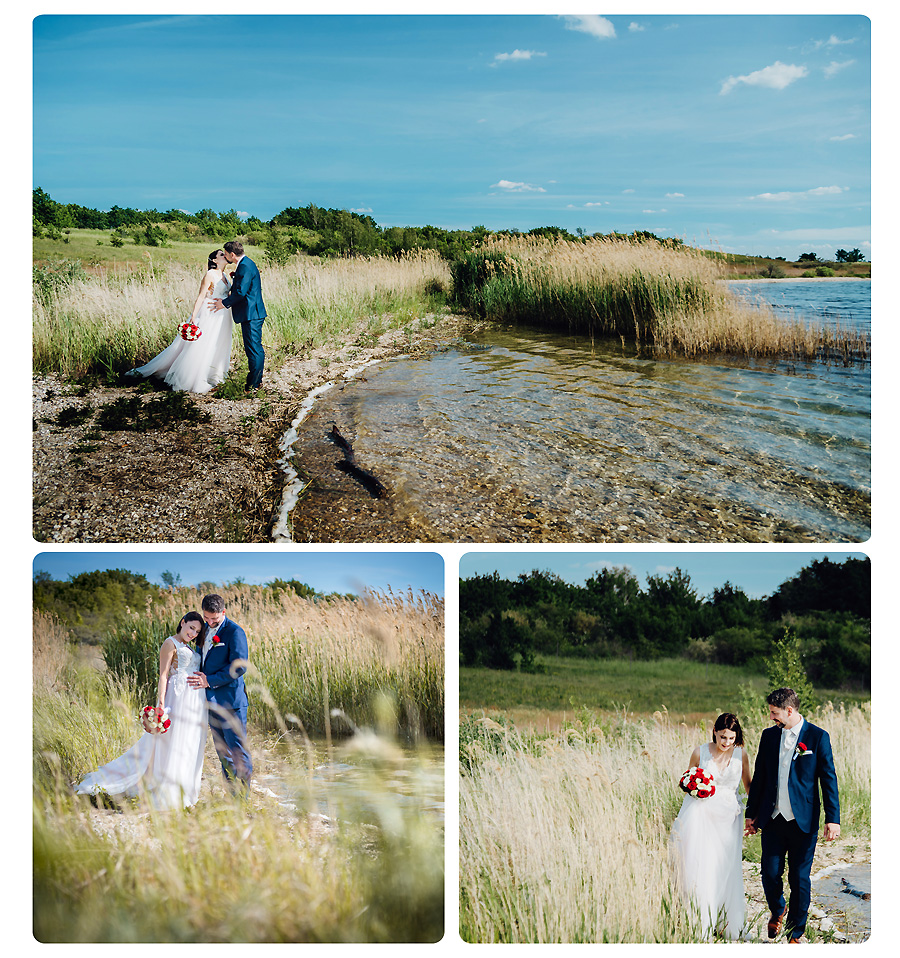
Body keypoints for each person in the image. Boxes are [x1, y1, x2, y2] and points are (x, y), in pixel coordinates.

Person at [75, 613, 208, 809]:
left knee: (188, 741)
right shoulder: (170, 643)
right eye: (191, 628)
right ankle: (168, 790)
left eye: (197, 631)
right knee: (173, 741)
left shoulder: (190, 647)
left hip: (194, 701)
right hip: (178, 697)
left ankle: (184, 789)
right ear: (182, 623)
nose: (193, 633)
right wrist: (161, 705)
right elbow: (163, 676)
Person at [745, 688, 840, 943]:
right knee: (769, 872)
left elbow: (828, 779)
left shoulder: (818, 737)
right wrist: (751, 814)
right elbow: (760, 777)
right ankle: (778, 909)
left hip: (804, 822)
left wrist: (833, 818)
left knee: (799, 878)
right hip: (773, 819)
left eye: (775, 713)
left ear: (789, 710)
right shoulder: (768, 736)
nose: (772, 718)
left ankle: (795, 933)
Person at [670, 712, 752, 940]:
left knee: (726, 865)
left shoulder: (741, 755)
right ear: (714, 731)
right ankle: (699, 920)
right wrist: (694, 786)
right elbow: (687, 780)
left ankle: (726, 922)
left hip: (729, 818)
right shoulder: (700, 752)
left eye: (731, 738)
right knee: (701, 865)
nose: (726, 743)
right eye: (722, 737)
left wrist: (754, 816)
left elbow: (748, 786)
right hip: (701, 815)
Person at [127, 250, 234, 393]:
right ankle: (194, 377)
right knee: (203, 344)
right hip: (210, 313)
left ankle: (214, 375)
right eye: (221, 255)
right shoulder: (210, 274)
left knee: (217, 344)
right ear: (214, 261)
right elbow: (201, 296)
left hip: (222, 315)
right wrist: (193, 317)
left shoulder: (225, 276)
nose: (224, 256)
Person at [188, 594, 253, 791]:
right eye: (206, 618)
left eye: (214, 619)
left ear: (223, 612)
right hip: (211, 702)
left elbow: (240, 666)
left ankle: (242, 800)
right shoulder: (204, 629)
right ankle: (232, 795)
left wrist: (209, 680)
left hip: (232, 702)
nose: (209, 622)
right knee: (223, 753)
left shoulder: (234, 632)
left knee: (238, 751)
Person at [211, 240, 266, 391]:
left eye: (226, 254)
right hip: (252, 312)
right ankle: (257, 381)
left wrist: (224, 303)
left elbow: (241, 292)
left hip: (251, 314)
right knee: (255, 348)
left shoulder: (245, 266)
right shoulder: (245, 264)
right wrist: (236, 277)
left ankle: (253, 385)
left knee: (253, 349)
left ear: (232, 254)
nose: (226, 256)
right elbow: (244, 286)